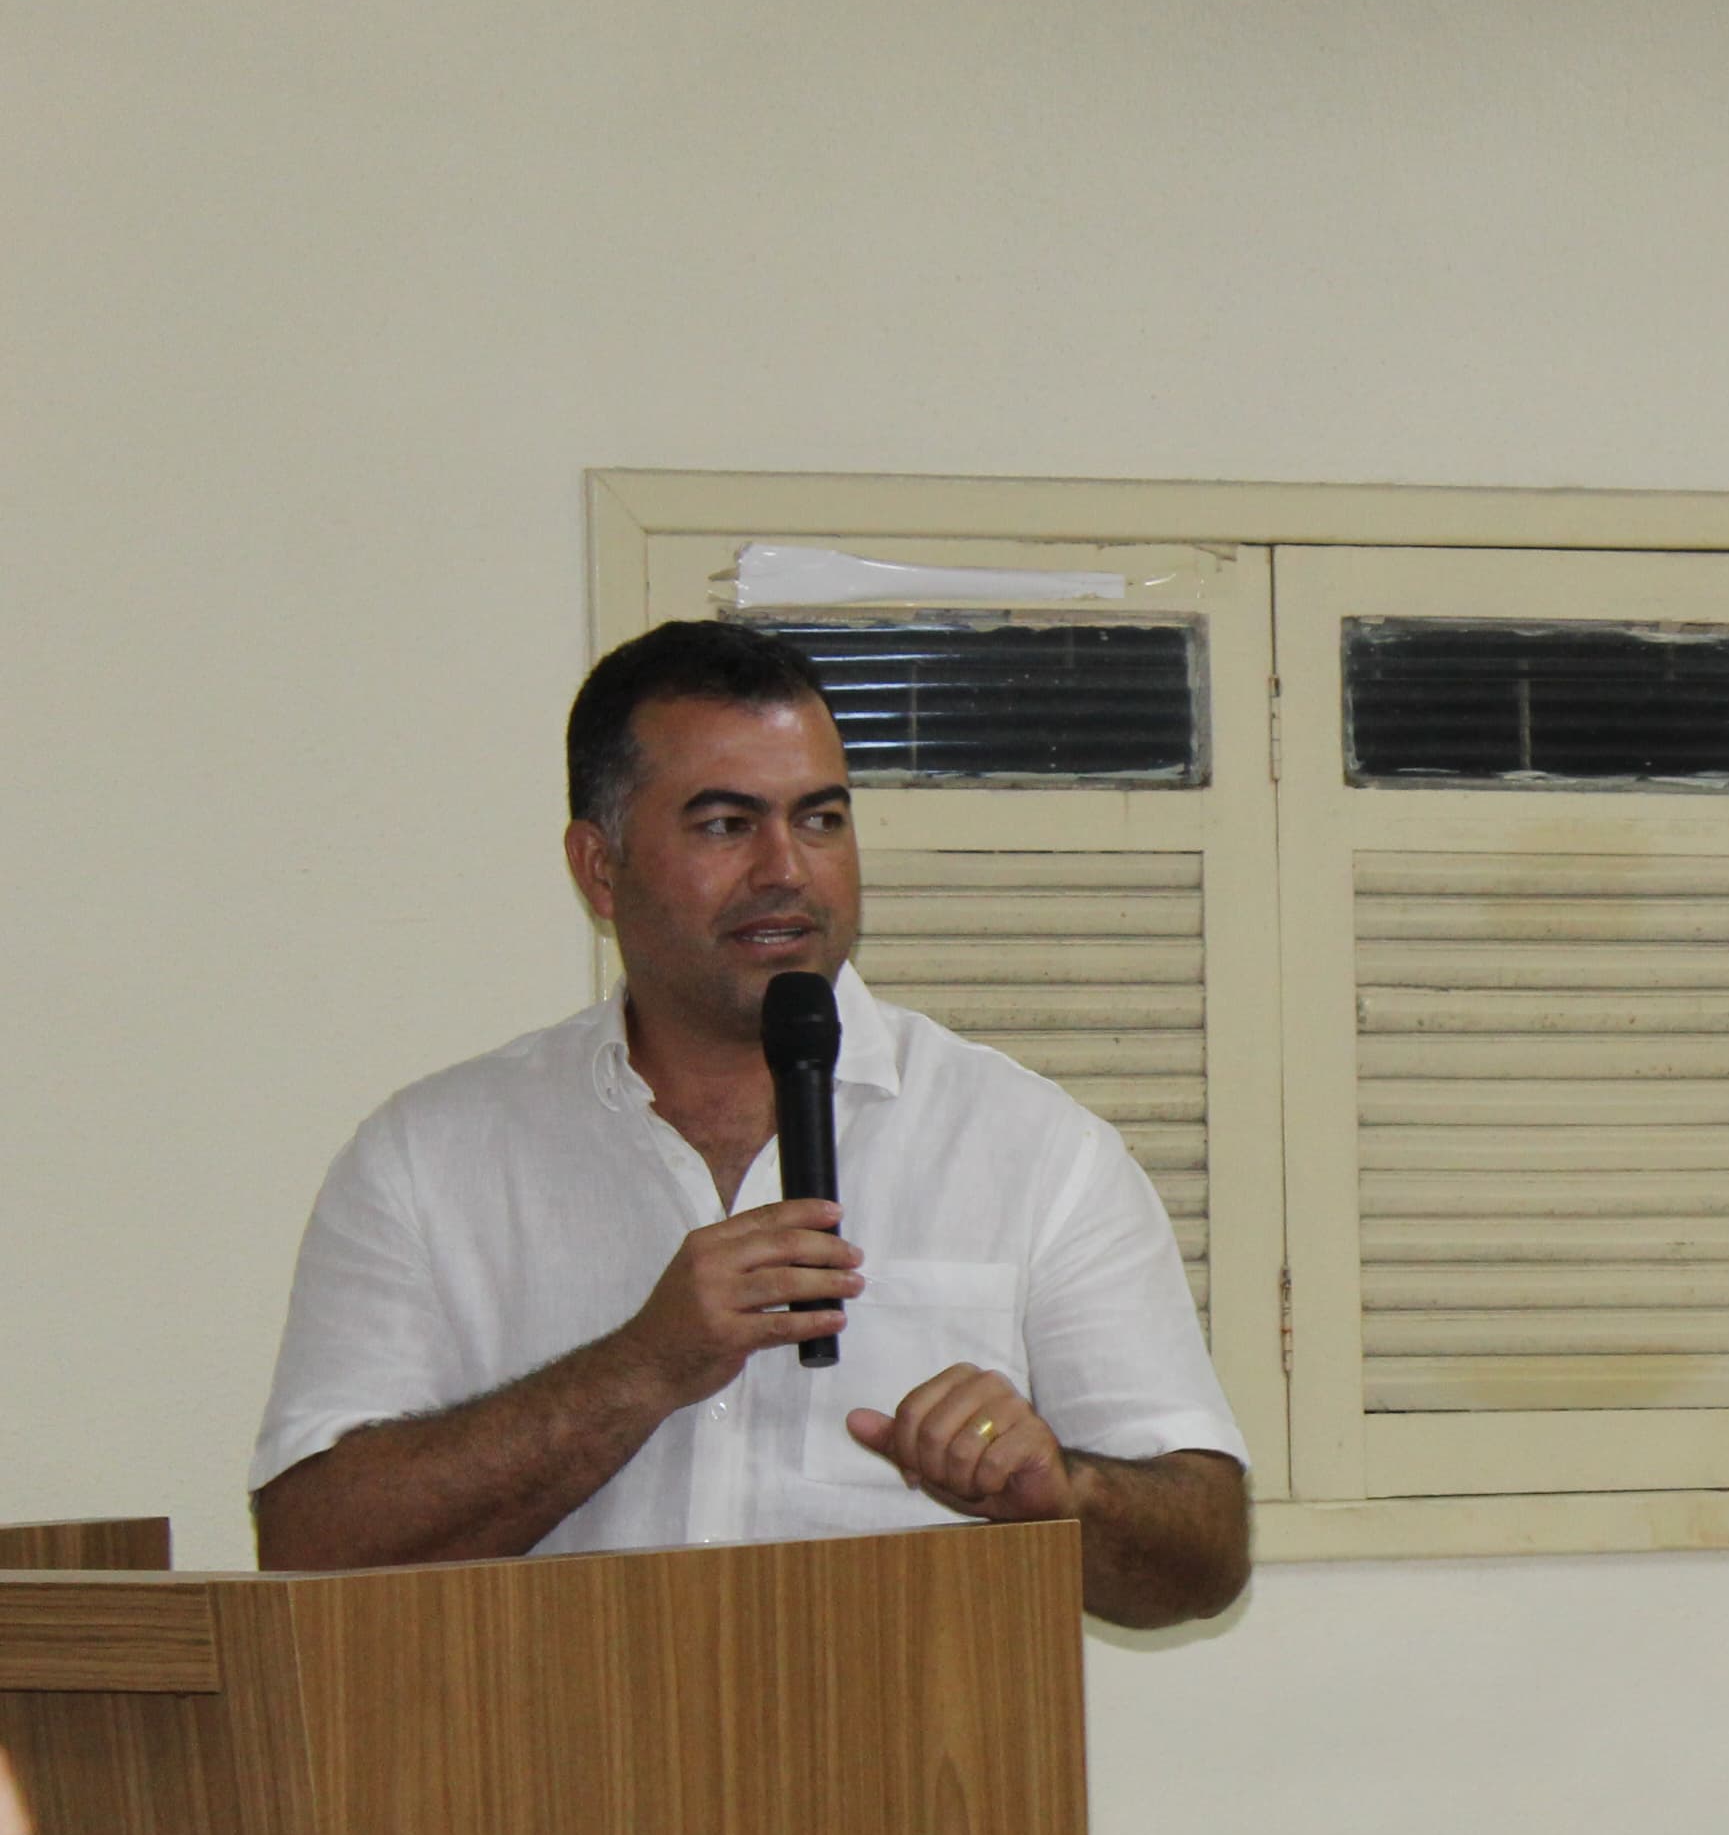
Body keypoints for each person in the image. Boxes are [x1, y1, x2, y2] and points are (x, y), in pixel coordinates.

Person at [251, 622, 1250, 1629]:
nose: (786, 869)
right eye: (727, 825)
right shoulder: (428, 1158)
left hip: (911, 1731)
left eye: (820, 819)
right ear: (599, 869)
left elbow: (1205, 1554)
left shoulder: (1033, 1148)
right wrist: (642, 1366)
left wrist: (1064, 1493)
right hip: (549, 1730)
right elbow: (310, 1545)